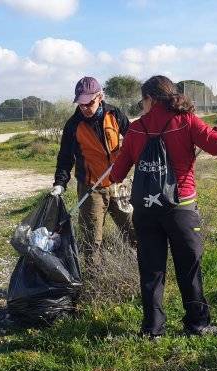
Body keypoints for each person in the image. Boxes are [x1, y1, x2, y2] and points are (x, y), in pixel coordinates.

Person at [109, 75, 217, 337]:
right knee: (189, 269)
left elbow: (117, 174)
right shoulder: (186, 121)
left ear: (150, 99)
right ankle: (197, 324)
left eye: (142, 100)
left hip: (145, 212)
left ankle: (152, 330)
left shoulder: (136, 128)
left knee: (151, 271)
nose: (141, 105)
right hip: (181, 209)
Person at [51, 76, 136, 269]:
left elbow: (133, 139)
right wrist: (59, 183)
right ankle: (94, 278)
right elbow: (65, 157)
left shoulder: (114, 114)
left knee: (132, 229)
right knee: (92, 239)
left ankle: (140, 269)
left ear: (100, 96)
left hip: (118, 183)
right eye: (81, 104)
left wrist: (129, 152)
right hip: (91, 188)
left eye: (89, 103)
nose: (85, 108)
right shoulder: (73, 125)